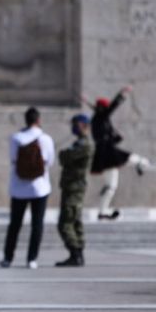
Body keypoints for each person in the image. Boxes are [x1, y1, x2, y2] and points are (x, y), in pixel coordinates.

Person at [88, 86, 156, 220]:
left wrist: (116, 137)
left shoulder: (99, 120)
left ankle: (102, 212)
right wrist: (122, 94)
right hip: (108, 153)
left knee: (111, 186)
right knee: (136, 161)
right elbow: (111, 108)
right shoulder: (100, 118)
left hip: (105, 154)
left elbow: (106, 136)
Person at [0, 107, 55, 269]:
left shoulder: (16, 138)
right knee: (37, 224)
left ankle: (8, 257)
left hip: (18, 187)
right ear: (38, 120)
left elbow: (12, 159)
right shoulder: (46, 139)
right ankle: (32, 259)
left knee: (15, 224)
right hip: (40, 187)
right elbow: (50, 162)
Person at [55, 114, 93, 267]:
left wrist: (64, 154)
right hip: (71, 187)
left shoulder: (84, 145)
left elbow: (65, 157)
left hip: (74, 188)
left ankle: (75, 253)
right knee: (75, 221)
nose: (73, 127)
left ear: (83, 125)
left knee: (65, 222)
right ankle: (77, 255)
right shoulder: (79, 143)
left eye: (75, 124)